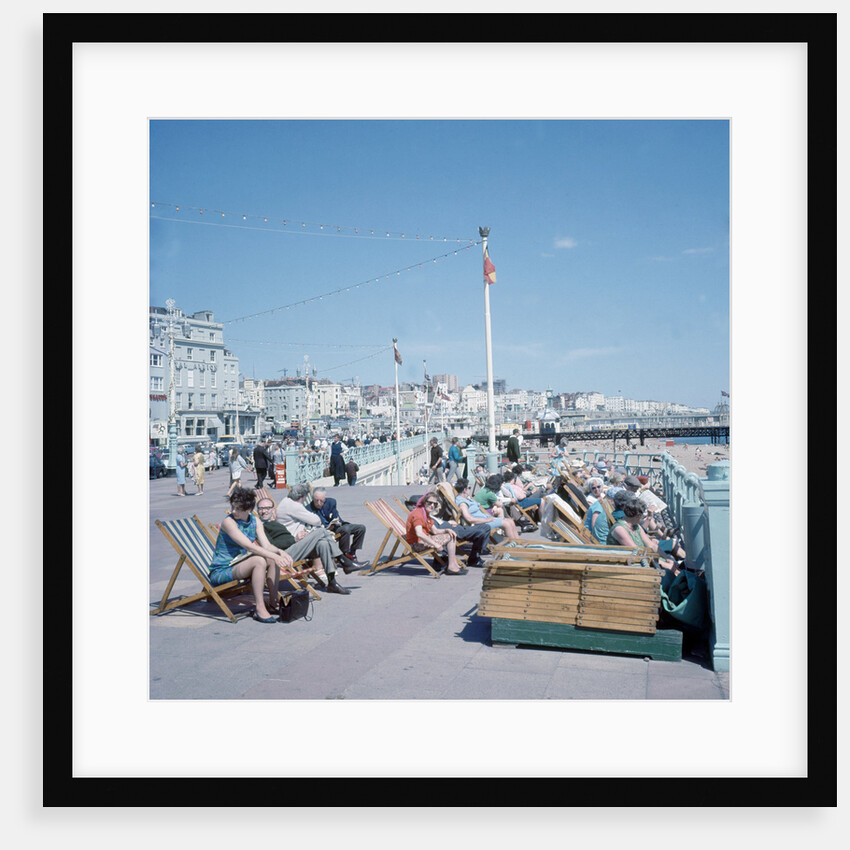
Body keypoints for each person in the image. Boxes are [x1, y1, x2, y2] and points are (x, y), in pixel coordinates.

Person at [208, 486, 295, 623]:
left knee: (271, 560)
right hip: (223, 569)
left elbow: (267, 546)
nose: (233, 511)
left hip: (240, 563)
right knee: (259, 561)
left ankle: (273, 602)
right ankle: (260, 608)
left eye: (237, 508)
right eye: (233, 507)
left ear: (248, 510)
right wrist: (275, 555)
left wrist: (280, 552)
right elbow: (249, 547)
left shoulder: (255, 521)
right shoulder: (228, 522)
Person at [256, 497, 351, 594]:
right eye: (261, 508)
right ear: (257, 510)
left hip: (294, 548)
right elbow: (271, 546)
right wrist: (294, 539)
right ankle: (343, 560)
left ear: (273, 510)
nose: (264, 511)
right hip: (283, 555)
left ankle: (332, 583)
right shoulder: (259, 526)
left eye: (267, 508)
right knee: (321, 531)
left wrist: (298, 537)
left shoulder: (274, 522)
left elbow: (284, 538)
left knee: (323, 543)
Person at [307, 487, 371, 571]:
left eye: (321, 501)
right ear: (313, 499)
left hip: (337, 526)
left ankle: (352, 553)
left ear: (324, 499)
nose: (319, 503)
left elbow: (335, 515)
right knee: (345, 530)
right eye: (316, 500)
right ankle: (344, 556)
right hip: (326, 531)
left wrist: (335, 521)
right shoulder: (308, 509)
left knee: (361, 528)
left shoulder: (331, 502)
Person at [607, 496, 677, 572]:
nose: (643, 518)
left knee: (673, 565)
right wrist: (664, 563)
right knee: (673, 570)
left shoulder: (636, 526)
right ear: (637, 516)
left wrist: (666, 558)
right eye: (643, 516)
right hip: (629, 565)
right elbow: (637, 552)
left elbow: (651, 545)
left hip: (641, 561)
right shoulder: (620, 529)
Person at [405, 493, 467, 575]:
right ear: (424, 502)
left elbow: (435, 531)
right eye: (429, 503)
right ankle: (452, 566)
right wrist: (435, 544)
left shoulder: (425, 514)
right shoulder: (418, 514)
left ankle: (453, 564)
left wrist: (447, 530)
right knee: (450, 537)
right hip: (417, 544)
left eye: (435, 504)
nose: (432, 506)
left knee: (451, 534)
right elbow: (419, 533)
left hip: (422, 541)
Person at [454, 478, 520, 540]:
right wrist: (486, 520)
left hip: (486, 519)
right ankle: (513, 546)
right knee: (506, 524)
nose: (470, 490)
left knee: (510, 521)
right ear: (465, 490)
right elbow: (469, 519)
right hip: (481, 524)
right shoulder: (463, 503)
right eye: (469, 488)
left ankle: (518, 543)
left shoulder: (467, 498)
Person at [583, 477, 610, 544]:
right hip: (595, 532)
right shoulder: (590, 500)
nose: (596, 489)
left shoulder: (603, 496)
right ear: (590, 489)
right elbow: (594, 523)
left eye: (598, 487)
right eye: (593, 488)